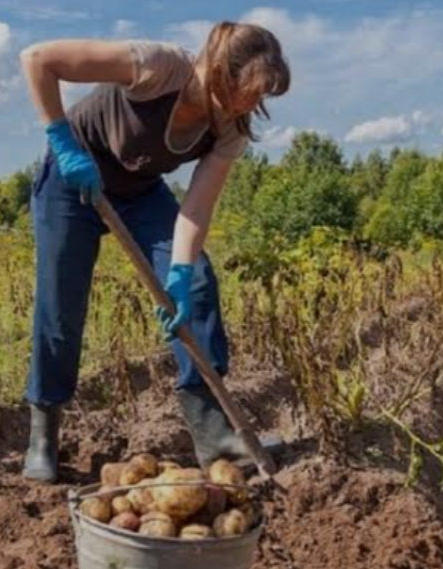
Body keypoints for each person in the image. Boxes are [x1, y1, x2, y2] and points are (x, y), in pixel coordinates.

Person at [19, 21, 290, 482]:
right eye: (247, 91)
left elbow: (194, 212)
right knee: (60, 308)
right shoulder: (159, 65)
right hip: (73, 180)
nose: (250, 106)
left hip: (140, 193)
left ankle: (212, 434)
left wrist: (180, 274)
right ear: (221, 70)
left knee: (199, 284)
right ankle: (43, 437)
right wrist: (63, 143)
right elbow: (38, 59)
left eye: (258, 98)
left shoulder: (232, 129)